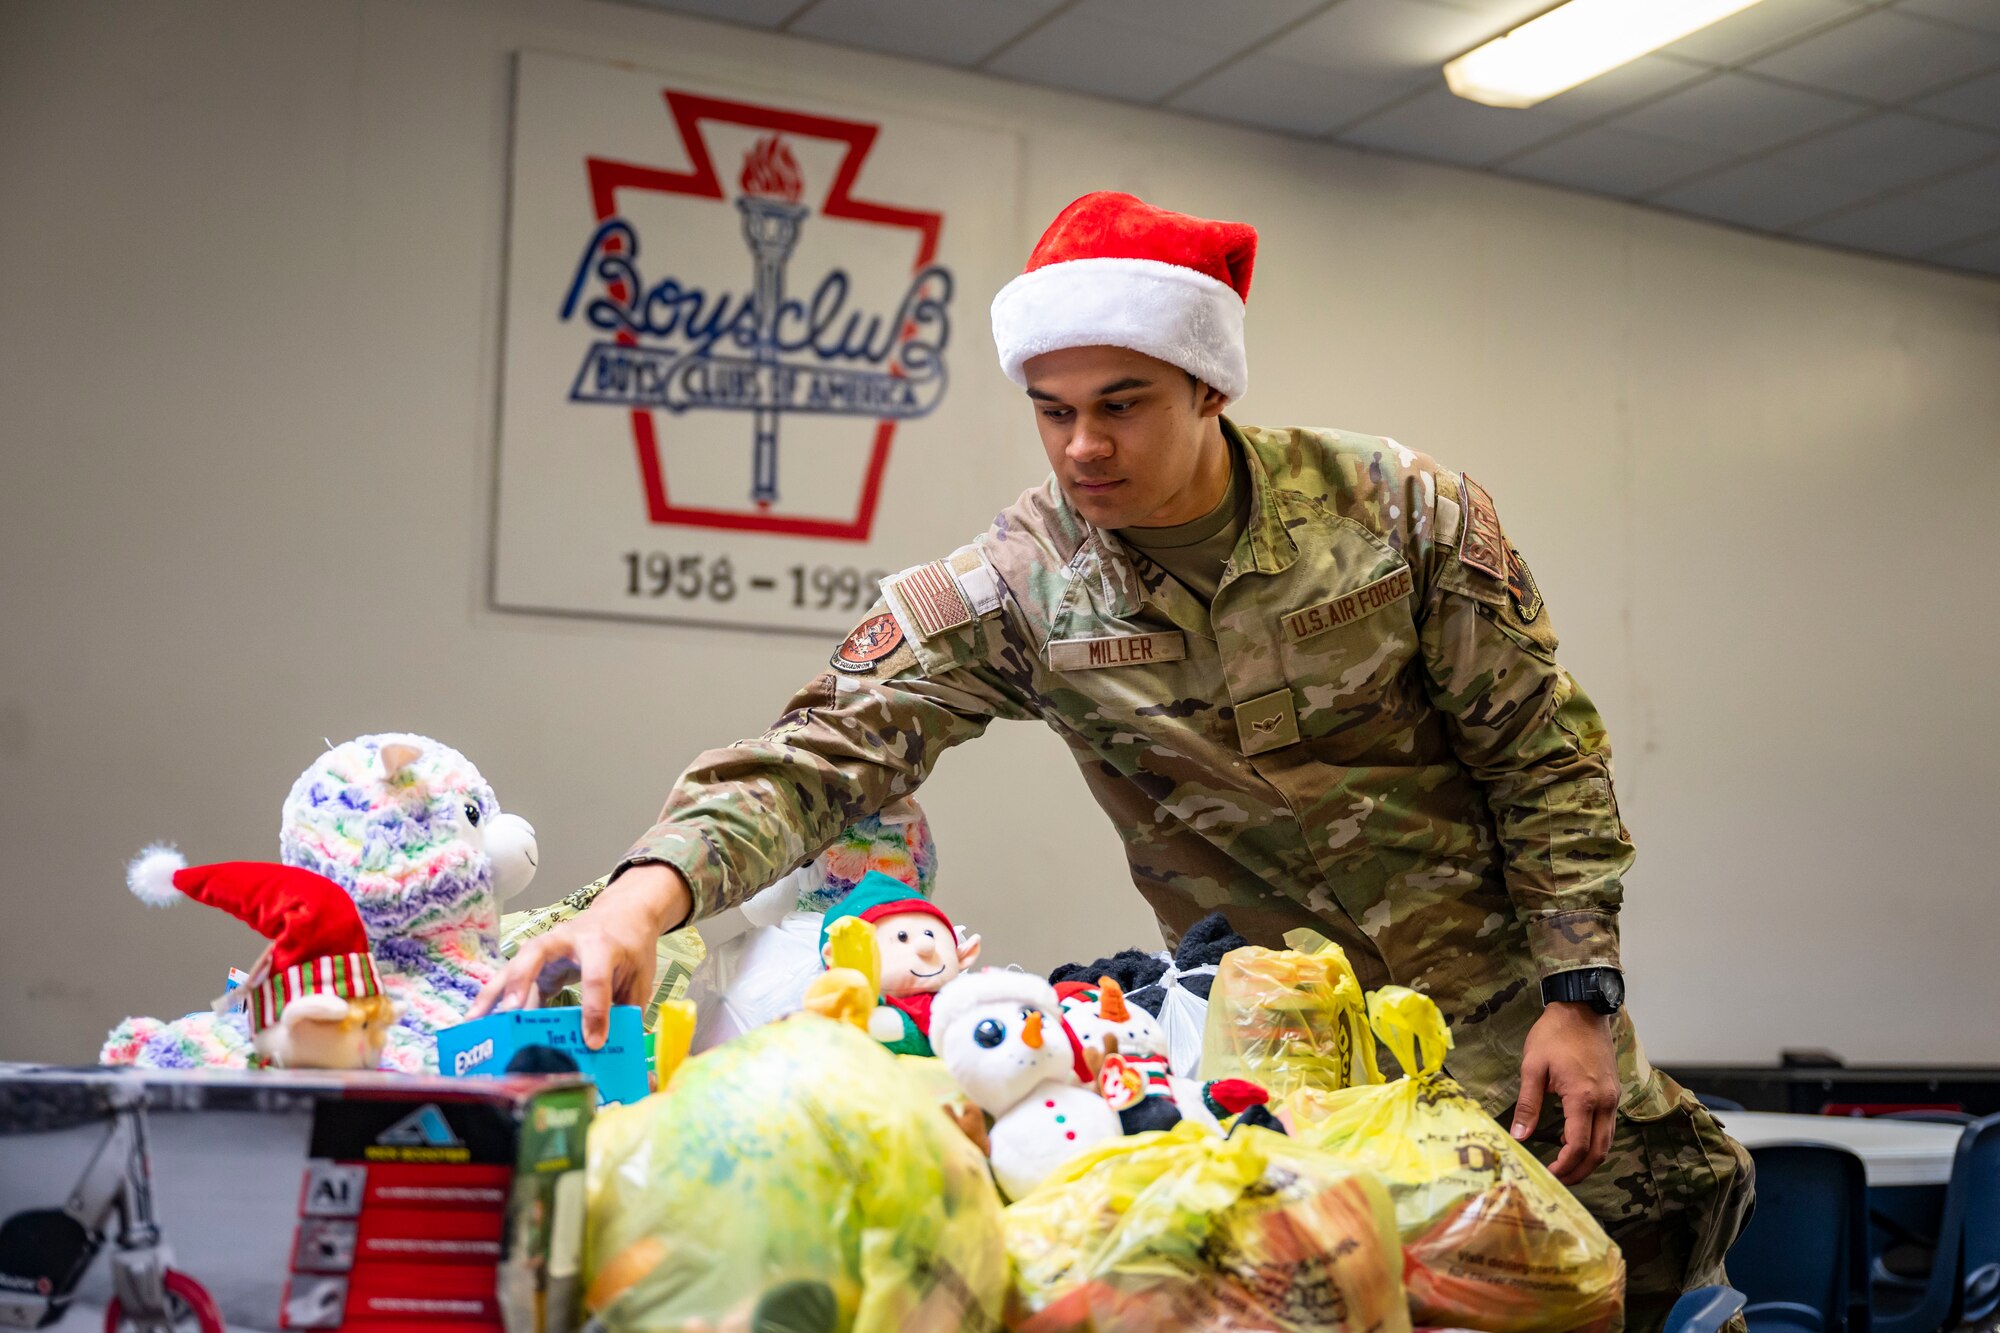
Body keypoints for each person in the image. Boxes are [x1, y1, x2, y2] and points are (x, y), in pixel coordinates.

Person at [477, 191, 1752, 1330]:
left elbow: (1542, 755)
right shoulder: (1020, 585)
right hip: (1275, 1066)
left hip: (1507, 1027)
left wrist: (1578, 995)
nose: (1082, 446)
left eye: (1120, 406)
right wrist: (636, 903)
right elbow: (820, 750)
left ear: (1208, 388)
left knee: (1619, 1280)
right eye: (1052, 412)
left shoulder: (1400, 511)